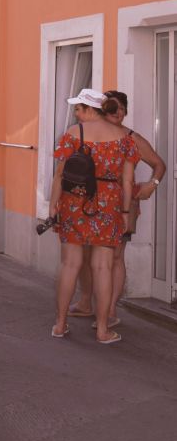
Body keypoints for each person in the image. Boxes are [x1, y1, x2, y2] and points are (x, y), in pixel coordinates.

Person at [69, 89, 166, 325]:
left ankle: (110, 311)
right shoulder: (91, 133)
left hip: (123, 204)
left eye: (123, 109)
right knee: (86, 254)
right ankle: (86, 302)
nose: (119, 112)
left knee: (115, 257)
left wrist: (152, 185)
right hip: (92, 202)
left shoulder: (131, 138)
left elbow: (159, 164)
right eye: (114, 107)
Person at [49, 89, 137, 345]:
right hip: (109, 204)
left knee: (70, 264)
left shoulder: (73, 133)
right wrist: (125, 212)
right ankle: (102, 330)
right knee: (103, 267)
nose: (77, 113)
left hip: (74, 201)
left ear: (90, 109)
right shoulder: (124, 138)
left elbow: (59, 175)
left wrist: (53, 205)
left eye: (79, 108)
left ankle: (60, 324)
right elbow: (128, 181)